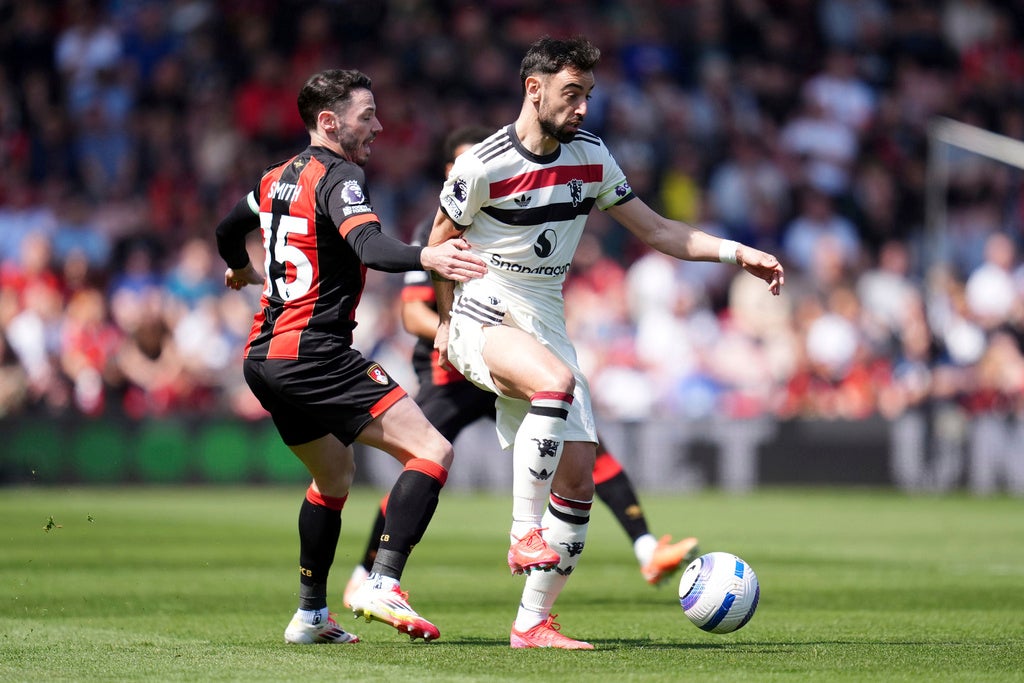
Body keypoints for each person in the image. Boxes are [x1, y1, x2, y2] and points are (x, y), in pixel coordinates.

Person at [429, 36, 785, 650]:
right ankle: (522, 531)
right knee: (555, 384)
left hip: (546, 320)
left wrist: (737, 253)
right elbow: (438, 246)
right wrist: (443, 322)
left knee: (577, 482)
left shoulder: (591, 157)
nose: (583, 108)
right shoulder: (482, 165)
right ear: (533, 89)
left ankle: (532, 623)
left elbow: (658, 230)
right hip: (483, 309)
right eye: (572, 94)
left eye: (588, 95)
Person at [342, 125, 700, 608]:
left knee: (585, 445)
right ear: (451, 172)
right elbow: (411, 314)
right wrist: (450, 328)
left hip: (512, 357)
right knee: (424, 460)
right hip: (453, 372)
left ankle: (646, 548)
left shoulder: (517, 211)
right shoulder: (435, 229)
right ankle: (366, 574)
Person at [214, 69, 486, 645]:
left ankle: (310, 616)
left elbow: (226, 229)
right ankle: (381, 582)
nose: (379, 126)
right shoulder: (340, 177)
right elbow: (370, 247)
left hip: (263, 359)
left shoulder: (273, 179)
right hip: (314, 353)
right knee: (432, 449)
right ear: (329, 122)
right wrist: (428, 256)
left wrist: (239, 267)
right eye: (367, 116)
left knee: (334, 474)